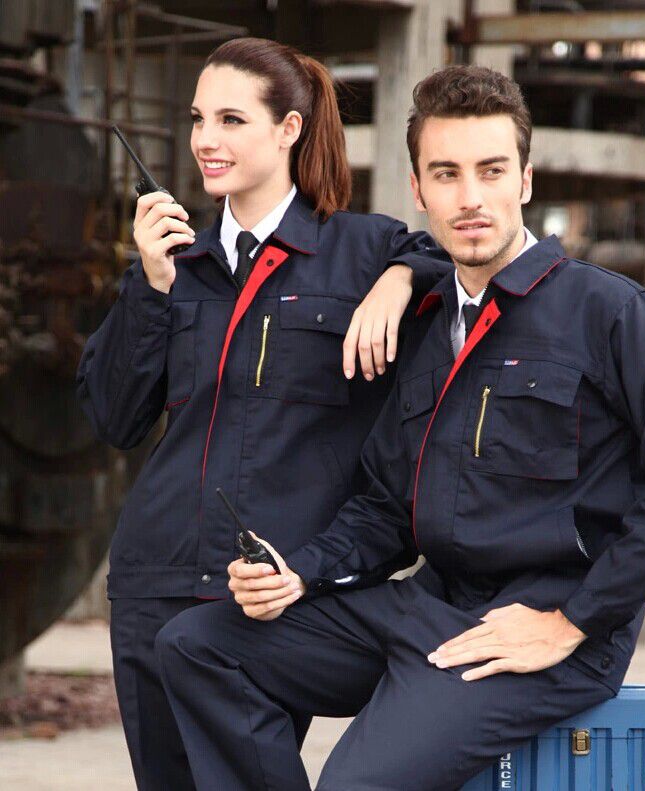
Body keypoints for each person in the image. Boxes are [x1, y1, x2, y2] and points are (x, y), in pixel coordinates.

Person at [155, 65, 645, 791]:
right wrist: (301, 571)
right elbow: (385, 506)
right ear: (418, 189)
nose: (470, 198)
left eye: (491, 171)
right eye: (446, 174)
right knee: (199, 646)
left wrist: (572, 619)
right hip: (429, 604)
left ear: (524, 180)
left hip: (541, 627)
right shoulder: (430, 329)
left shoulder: (608, 312)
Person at [76, 38, 448, 791]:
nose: (205, 140)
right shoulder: (177, 263)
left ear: (289, 129)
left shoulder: (364, 252)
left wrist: (403, 277)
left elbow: (461, 269)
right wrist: (150, 286)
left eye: (231, 120)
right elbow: (113, 417)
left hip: (269, 587)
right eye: (198, 119)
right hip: (157, 576)